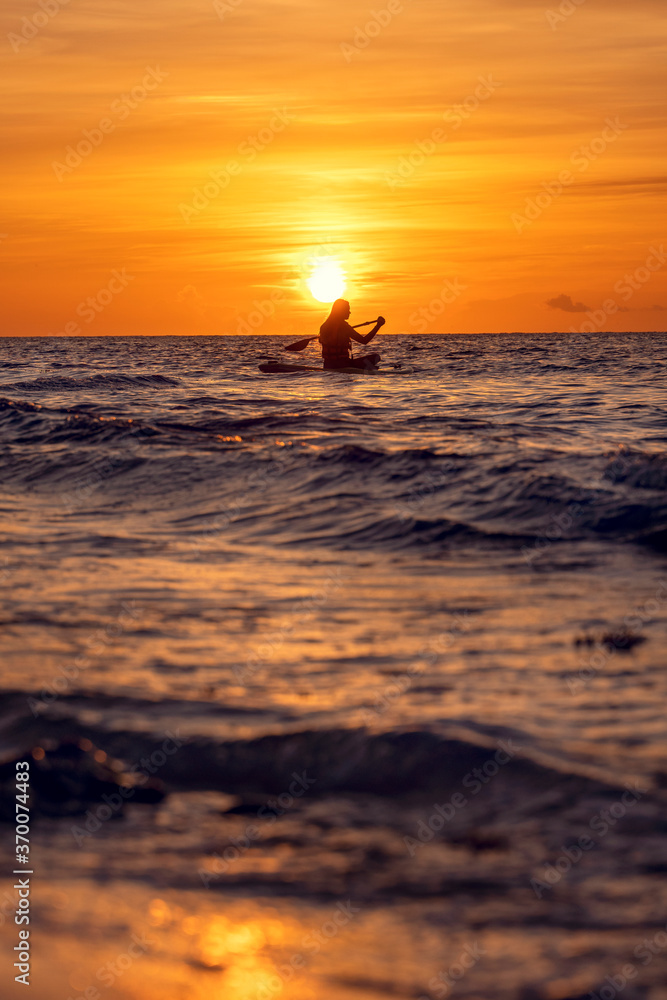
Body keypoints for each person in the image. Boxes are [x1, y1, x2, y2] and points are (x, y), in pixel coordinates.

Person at [319, 299, 385, 369]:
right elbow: (364, 340)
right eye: (347, 310)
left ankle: (369, 368)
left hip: (327, 365)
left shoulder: (324, 326)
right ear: (341, 311)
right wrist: (378, 326)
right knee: (376, 357)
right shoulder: (344, 327)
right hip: (344, 365)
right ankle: (370, 369)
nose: (349, 312)